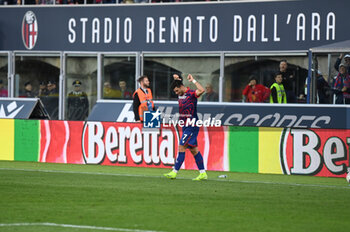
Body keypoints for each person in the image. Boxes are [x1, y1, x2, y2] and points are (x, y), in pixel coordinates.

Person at [164, 73, 207, 181]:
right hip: (185, 125)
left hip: (192, 125)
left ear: (180, 88)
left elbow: (202, 90)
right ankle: (203, 173)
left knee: (181, 146)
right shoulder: (181, 93)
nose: (176, 93)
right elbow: (179, 84)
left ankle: (174, 172)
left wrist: (193, 80)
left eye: (176, 91)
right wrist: (177, 79)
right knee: (194, 150)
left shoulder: (191, 94)